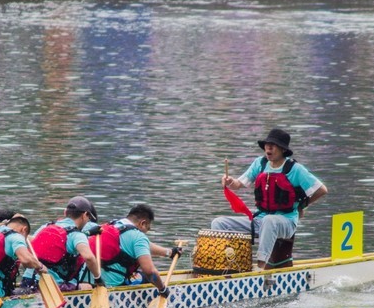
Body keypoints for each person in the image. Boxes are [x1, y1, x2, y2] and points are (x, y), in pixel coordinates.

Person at [211, 128, 328, 270]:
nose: (269, 148)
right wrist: (229, 181)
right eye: (267, 144)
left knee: (269, 220)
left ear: (283, 149)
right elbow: (238, 184)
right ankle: (227, 266)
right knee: (219, 223)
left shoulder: (295, 169)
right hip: (260, 220)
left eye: (274, 145)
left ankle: (261, 267)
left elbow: (322, 190)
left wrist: (301, 205)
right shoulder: (259, 164)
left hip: (286, 222)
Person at [92, 204, 182, 299]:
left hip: (93, 282)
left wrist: (169, 252)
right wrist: (162, 289)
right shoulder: (138, 237)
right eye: (148, 228)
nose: (146, 232)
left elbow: (144, 246)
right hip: (113, 289)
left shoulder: (112, 225)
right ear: (143, 223)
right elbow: (150, 271)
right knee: (147, 277)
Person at [30, 196, 104, 291]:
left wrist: (88, 233)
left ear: (65, 212)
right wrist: (98, 278)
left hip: (32, 281)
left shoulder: (46, 227)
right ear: (85, 215)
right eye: (88, 217)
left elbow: (32, 242)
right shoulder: (77, 235)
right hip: (55, 288)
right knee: (88, 287)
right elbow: (89, 258)